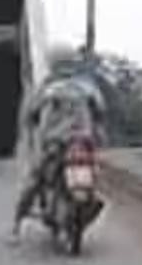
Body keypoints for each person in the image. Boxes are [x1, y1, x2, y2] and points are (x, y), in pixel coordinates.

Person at [10, 62, 107, 238]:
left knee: (35, 180)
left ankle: (17, 225)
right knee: (94, 178)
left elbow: (32, 114)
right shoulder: (88, 88)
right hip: (84, 142)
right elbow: (101, 113)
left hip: (56, 142)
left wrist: (32, 134)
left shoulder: (49, 89)